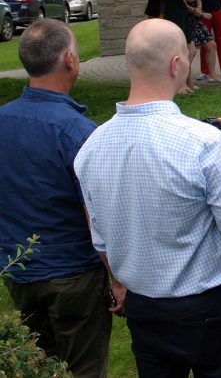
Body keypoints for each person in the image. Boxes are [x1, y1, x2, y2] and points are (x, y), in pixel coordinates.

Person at [74, 19, 221, 377]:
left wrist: (120, 280)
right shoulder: (203, 142)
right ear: (176, 64)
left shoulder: (90, 148)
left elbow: (100, 238)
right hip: (209, 306)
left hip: (144, 307)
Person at [0, 20, 118, 378]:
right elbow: (95, 213)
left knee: (38, 366)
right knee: (83, 368)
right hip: (73, 276)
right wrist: (117, 278)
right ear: (70, 59)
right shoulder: (78, 132)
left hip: (19, 271)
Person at [161, 0, 202, 92]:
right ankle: (180, 83)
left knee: (191, 50)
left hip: (180, 14)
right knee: (181, 51)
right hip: (175, 16)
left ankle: (186, 81)